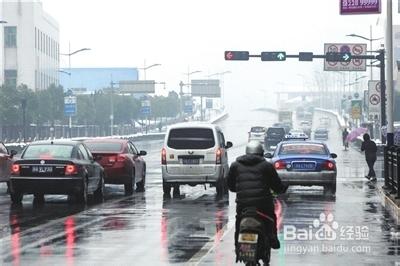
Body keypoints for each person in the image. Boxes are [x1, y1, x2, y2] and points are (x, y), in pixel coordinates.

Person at [227, 141, 288, 250]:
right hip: (263, 204)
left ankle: (237, 245)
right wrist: (282, 189)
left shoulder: (235, 165)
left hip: (243, 204)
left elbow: (231, 186)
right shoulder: (266, 165)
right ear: (261, 153)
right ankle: (273, 238)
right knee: (271, 218)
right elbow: (276, 185)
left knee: (239, 220)